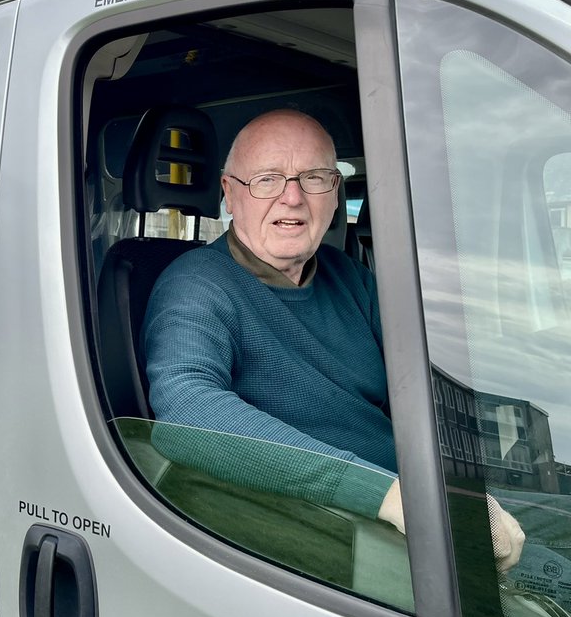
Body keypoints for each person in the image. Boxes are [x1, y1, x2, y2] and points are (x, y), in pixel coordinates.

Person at [141, 109, 525, 570]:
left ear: (335, 193)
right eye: (267, 179)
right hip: (327, 534)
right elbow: (189, 412)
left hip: (420, 504)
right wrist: (392, 495)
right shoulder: (196, 286)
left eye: (314, 178)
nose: (292, 198)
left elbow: (427, 381)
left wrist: (476, 481)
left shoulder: (349, 277)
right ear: (229, 194)